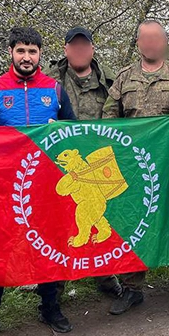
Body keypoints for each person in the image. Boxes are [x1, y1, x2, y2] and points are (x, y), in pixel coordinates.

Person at [0, 27, 76, 336]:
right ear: (11, 53)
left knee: (49, 245)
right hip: (5, 186)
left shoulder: (55, 90)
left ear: (40, 54)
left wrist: (62, 130)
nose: (26, 57)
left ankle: (50, 306)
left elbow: (74, 131)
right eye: (21, 51)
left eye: (32, 51)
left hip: (46, 185)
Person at [103, 19, 169, 318]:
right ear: (138, 43)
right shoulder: (124, 77)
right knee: (134, 224)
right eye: (145, 39)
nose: (150, 44)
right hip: (134, 168)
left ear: (165, 42)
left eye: (156, 39)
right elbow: (108, 119)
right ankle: (132, 288)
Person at [43, 26, 122, 299]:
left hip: (97, 164)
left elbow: (122, 118)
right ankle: (55, 288)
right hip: (58, 163)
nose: (79, 51)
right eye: (74, 46)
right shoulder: (49, 81)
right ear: (65, 50)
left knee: (97, 214)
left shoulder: (110, 81)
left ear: (92, 49)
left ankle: (105, 275)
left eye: (84, 46)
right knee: (60, 222)